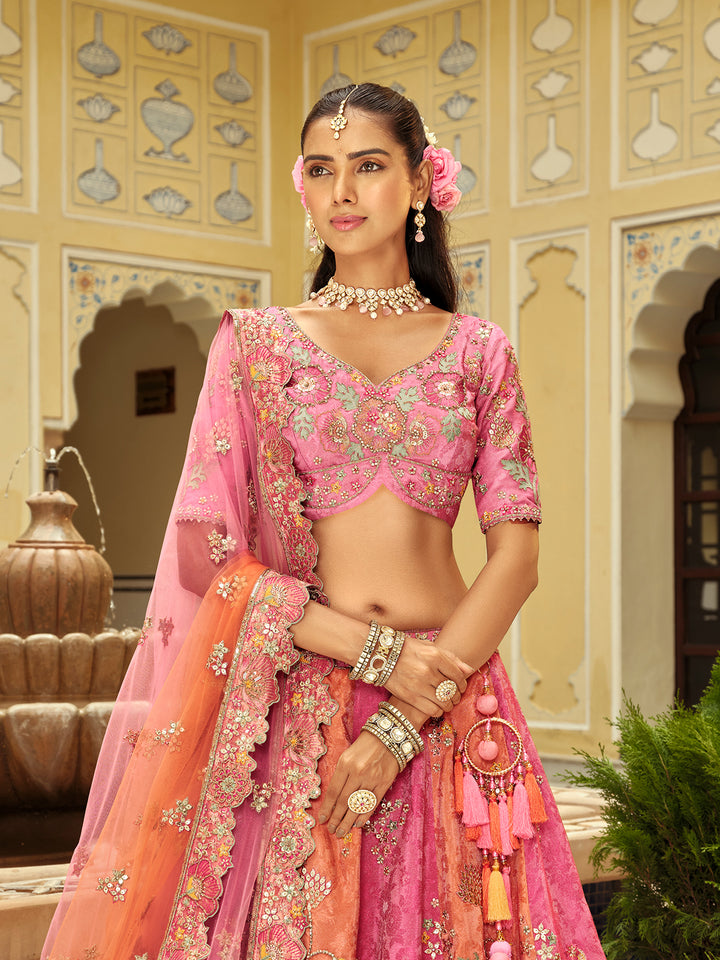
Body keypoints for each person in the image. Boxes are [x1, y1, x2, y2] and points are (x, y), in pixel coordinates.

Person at [42, 83, 605, 960]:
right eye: (321, 169)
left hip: (454, 702)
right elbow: (207, 553)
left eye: (369, 166)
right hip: (306, 705)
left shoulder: (478, 351)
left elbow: (518, 556)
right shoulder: (257, 346)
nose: (342, 191)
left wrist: (409, 707)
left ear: (420, 184)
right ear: (303, 190)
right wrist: (380, 660)